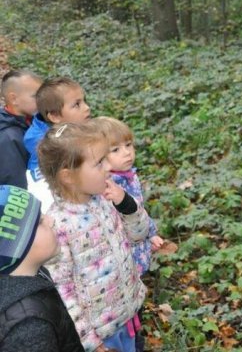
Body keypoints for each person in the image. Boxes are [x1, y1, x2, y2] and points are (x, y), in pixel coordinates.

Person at [37, 120, 150, 352]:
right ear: (68, 176)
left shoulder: (106, 197)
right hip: (102, 335)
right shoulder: (58, 226)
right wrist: (91, 343)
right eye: (99, 163)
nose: (108, 167)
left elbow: (139, 235)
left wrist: (126, 204)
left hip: (128, 312)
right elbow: (63, 292)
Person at [94, 116, 164, 352]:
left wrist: (150, 233)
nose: (127, 153)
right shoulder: (107, 185)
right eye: (115, 149)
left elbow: (138, 209)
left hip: (137, 249)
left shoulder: (129, 175)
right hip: (123, 260)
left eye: (129, 145)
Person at [0, 184, 84, 352]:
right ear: (15, 247)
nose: (51, 220)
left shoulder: (36, 273)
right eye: (39, 221)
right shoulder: (28, 329)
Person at [23, 77, 91, 213]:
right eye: (77, 104)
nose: (87, 108)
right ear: (54, 117)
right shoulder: (45, 144)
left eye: (84, 101)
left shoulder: (75, 129)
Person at [0, 71, 42, 189]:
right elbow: (15, 186)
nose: (42, 100)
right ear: (14, 99)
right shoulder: (7, 138)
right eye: (36, 96)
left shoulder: (33, 120)